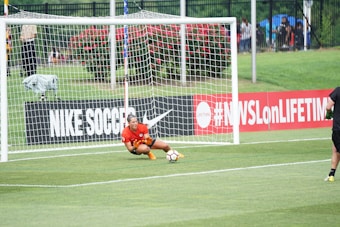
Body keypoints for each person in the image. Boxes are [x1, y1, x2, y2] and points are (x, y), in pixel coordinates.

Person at [324, 87, 340, 182]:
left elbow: (328, 107)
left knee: (335, 150)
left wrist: (329, 113)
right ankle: (331, 174)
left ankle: (331, 175)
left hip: (338, 127)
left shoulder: (337, 91)